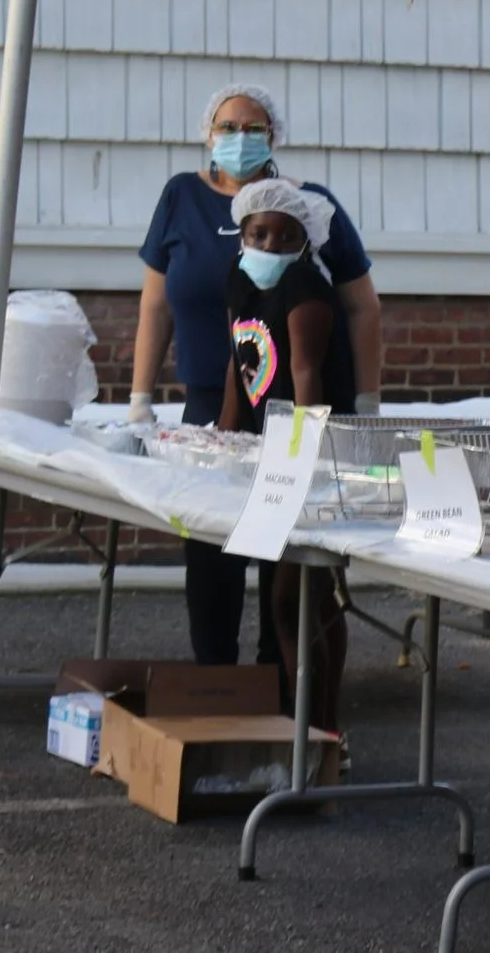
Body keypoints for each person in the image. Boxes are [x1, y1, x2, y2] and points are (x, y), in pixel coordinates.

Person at [131, 84, 382, 668]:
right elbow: (155, 305)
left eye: (253, 128)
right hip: (213, 406)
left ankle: (287, 702)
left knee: (288, 568)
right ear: (207, 132)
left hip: (295, 413)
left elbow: (361, 307)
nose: (238, 139)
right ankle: (219, 692)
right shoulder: (181, 198)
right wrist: (140, 397)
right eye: (227, 126)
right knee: (212, 565)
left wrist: (365, 402)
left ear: (275, 135)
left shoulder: (308, 204)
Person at [216, 180, 355, 730]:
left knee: (301, 597)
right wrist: (226, 437)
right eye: (259, 234)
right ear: (242, 235)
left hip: (312, 455)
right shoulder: (239, 279)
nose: (269, 247)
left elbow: (305, 378)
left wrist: (301, 468)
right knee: (287, 603)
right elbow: (239, 360)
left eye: (283, 237)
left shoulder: (306, 292)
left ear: (304, 242)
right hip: (264, 452)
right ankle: (303, 724)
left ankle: (319, 728)